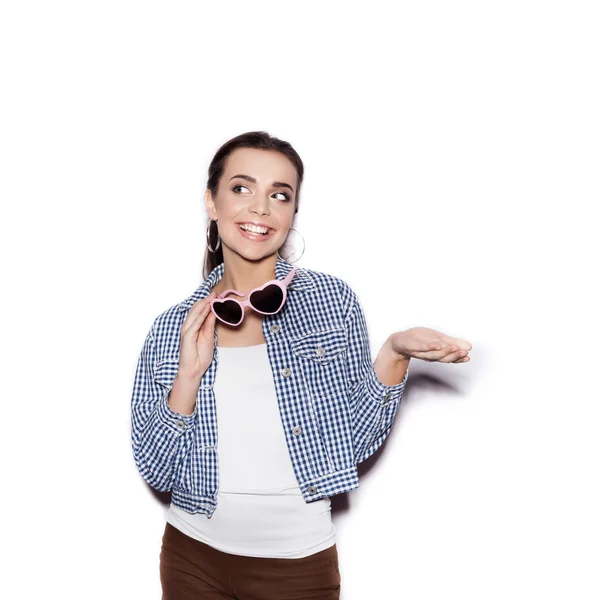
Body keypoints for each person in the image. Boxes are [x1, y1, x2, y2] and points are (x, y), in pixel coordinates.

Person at [130, 131, 472, 599]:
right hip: (193, 559)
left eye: (280, 195)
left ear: (292, 214)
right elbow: (158, 470)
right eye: (241, 188)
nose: (261, 209)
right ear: (211, 203)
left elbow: (352, 446)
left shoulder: (332, 303)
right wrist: (188, 377)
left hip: (298, 566)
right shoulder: (173, 327)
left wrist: (394, 352)